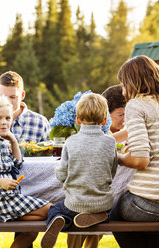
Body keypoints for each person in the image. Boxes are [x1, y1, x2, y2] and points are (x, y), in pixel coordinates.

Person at [111, 55, 159, 248]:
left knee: (113, 212)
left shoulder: (136, 105)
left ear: (133, 82)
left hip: (152, 206)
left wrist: (117, 157)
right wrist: (104, 141)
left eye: (124, 84)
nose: (123, 90)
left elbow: (140, 161)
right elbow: (144, 129)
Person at [0, 96, 52, 248]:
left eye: (7, 118)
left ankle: (0, 217)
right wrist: (1, 182)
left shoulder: (0, 141)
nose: (4, 122)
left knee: (32, 231)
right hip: (0, 199)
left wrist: (13, 141)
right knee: (51, 210)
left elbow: (17, 164)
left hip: (10, 197)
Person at [41, 93, 118, 248]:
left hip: (75, 203)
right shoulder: (110, 142)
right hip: (102, 204)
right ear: (104, 120)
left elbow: (62, 173)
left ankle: (60, 220)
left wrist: (64, 177)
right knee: (113, 210)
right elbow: (112, 170)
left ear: (77, 120)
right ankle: (100, 216)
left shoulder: (70, 142)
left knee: (55, 209)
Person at [66, 84, 131, 248]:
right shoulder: (106, 138)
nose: (126, 120)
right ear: (105, 116)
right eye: (120, 115)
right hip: (96, 197)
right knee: (87, 211)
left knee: (90, 212)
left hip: (95, 197)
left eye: (128, 114)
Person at [0, 71, 49, 143]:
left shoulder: (40, 123)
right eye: (3, 96)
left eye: (13, 97)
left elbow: (49, 153)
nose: (7, 102)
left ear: (22, 95)